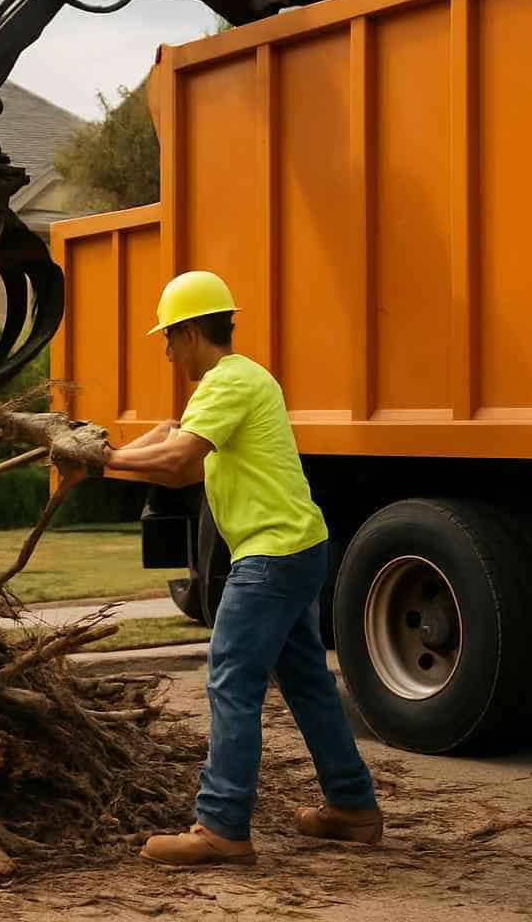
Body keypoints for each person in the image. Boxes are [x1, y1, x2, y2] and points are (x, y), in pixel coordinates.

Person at [62, 270, 381, 868]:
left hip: (271, 553)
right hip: (299, 547)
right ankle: (353, 807)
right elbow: (176, 448)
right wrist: (113, 453)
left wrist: (103, 461)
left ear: (187, 333)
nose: (165, 350)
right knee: (308, 683)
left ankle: (222, 826)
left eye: (167, 337)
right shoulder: (239, 382)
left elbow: (180, 459)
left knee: (231, 681)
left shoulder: (228, 380)